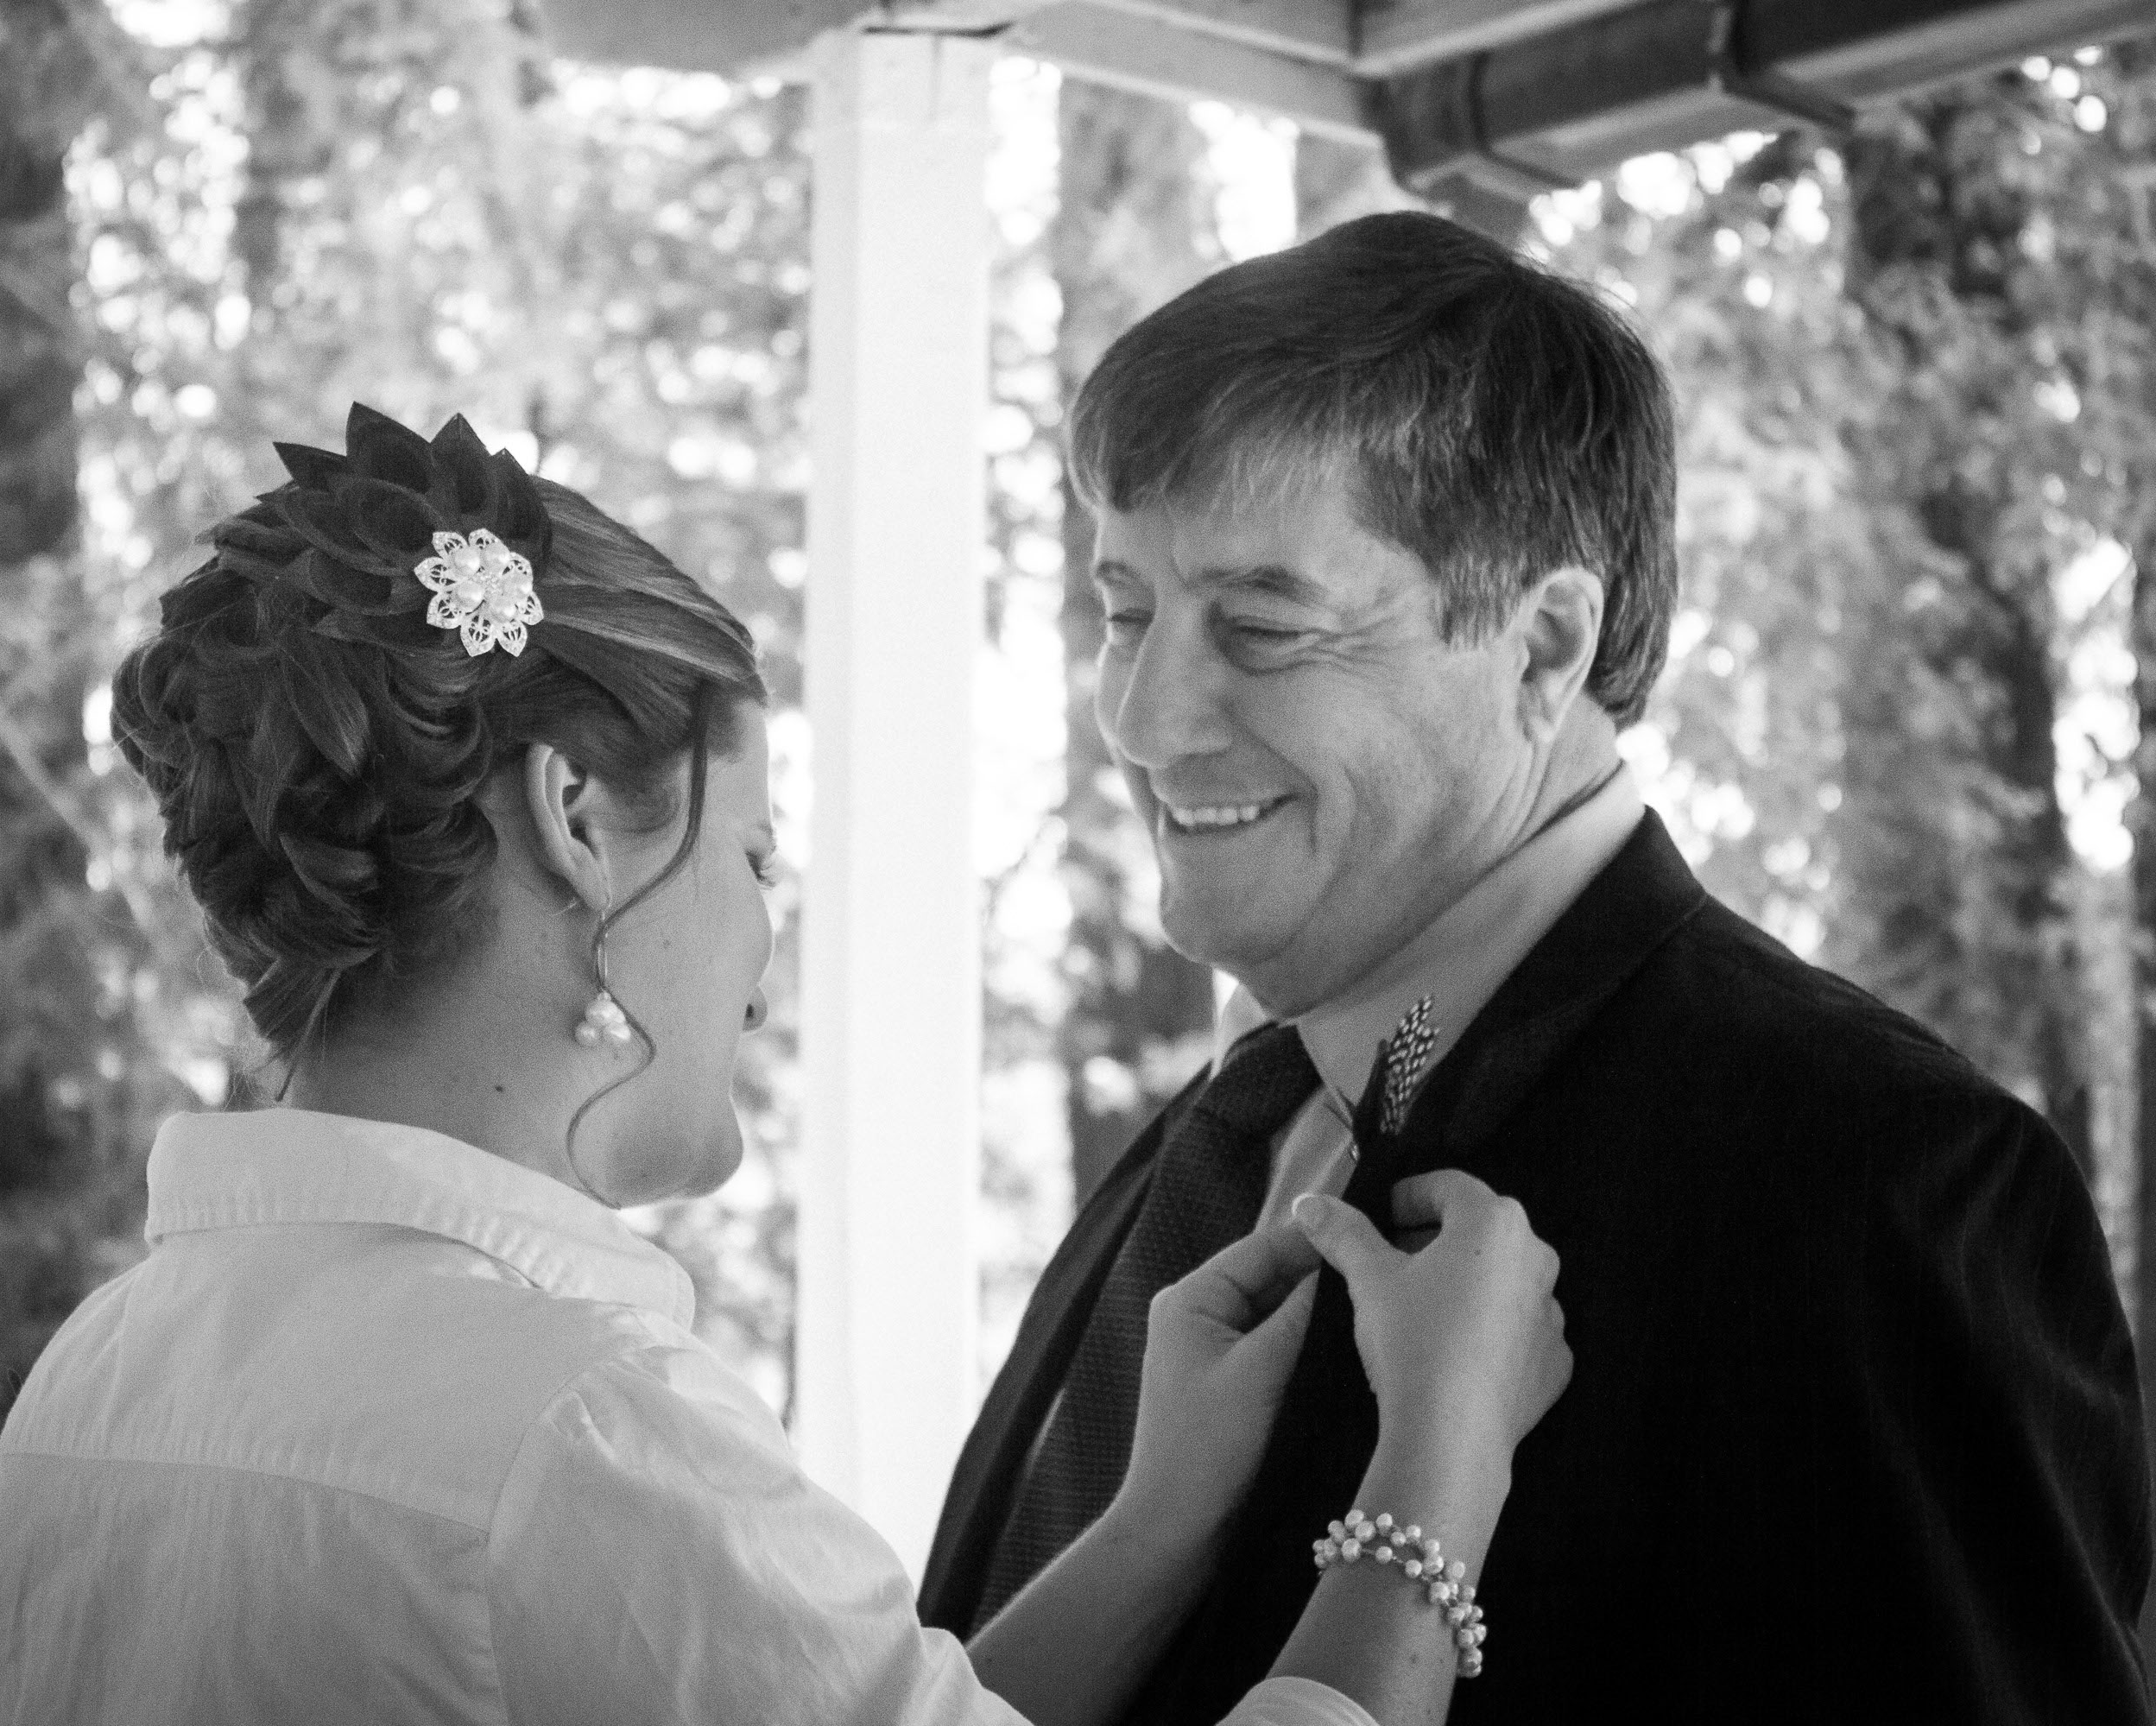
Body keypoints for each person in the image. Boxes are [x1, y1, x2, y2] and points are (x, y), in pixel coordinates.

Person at [0, 405, 1573, 1726]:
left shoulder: (102, 1373)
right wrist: (1439, 1471)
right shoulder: (580, 1440)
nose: (765, 942)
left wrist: (1156, 1523)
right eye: (751, 856)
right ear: (580, 827)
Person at [918, 211, 2153, 1726]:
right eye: (1124, 611)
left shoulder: (1875, 1183)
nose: (1144, 714)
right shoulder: (1242, 1124)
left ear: (1544, 645)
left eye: (1260, 625)